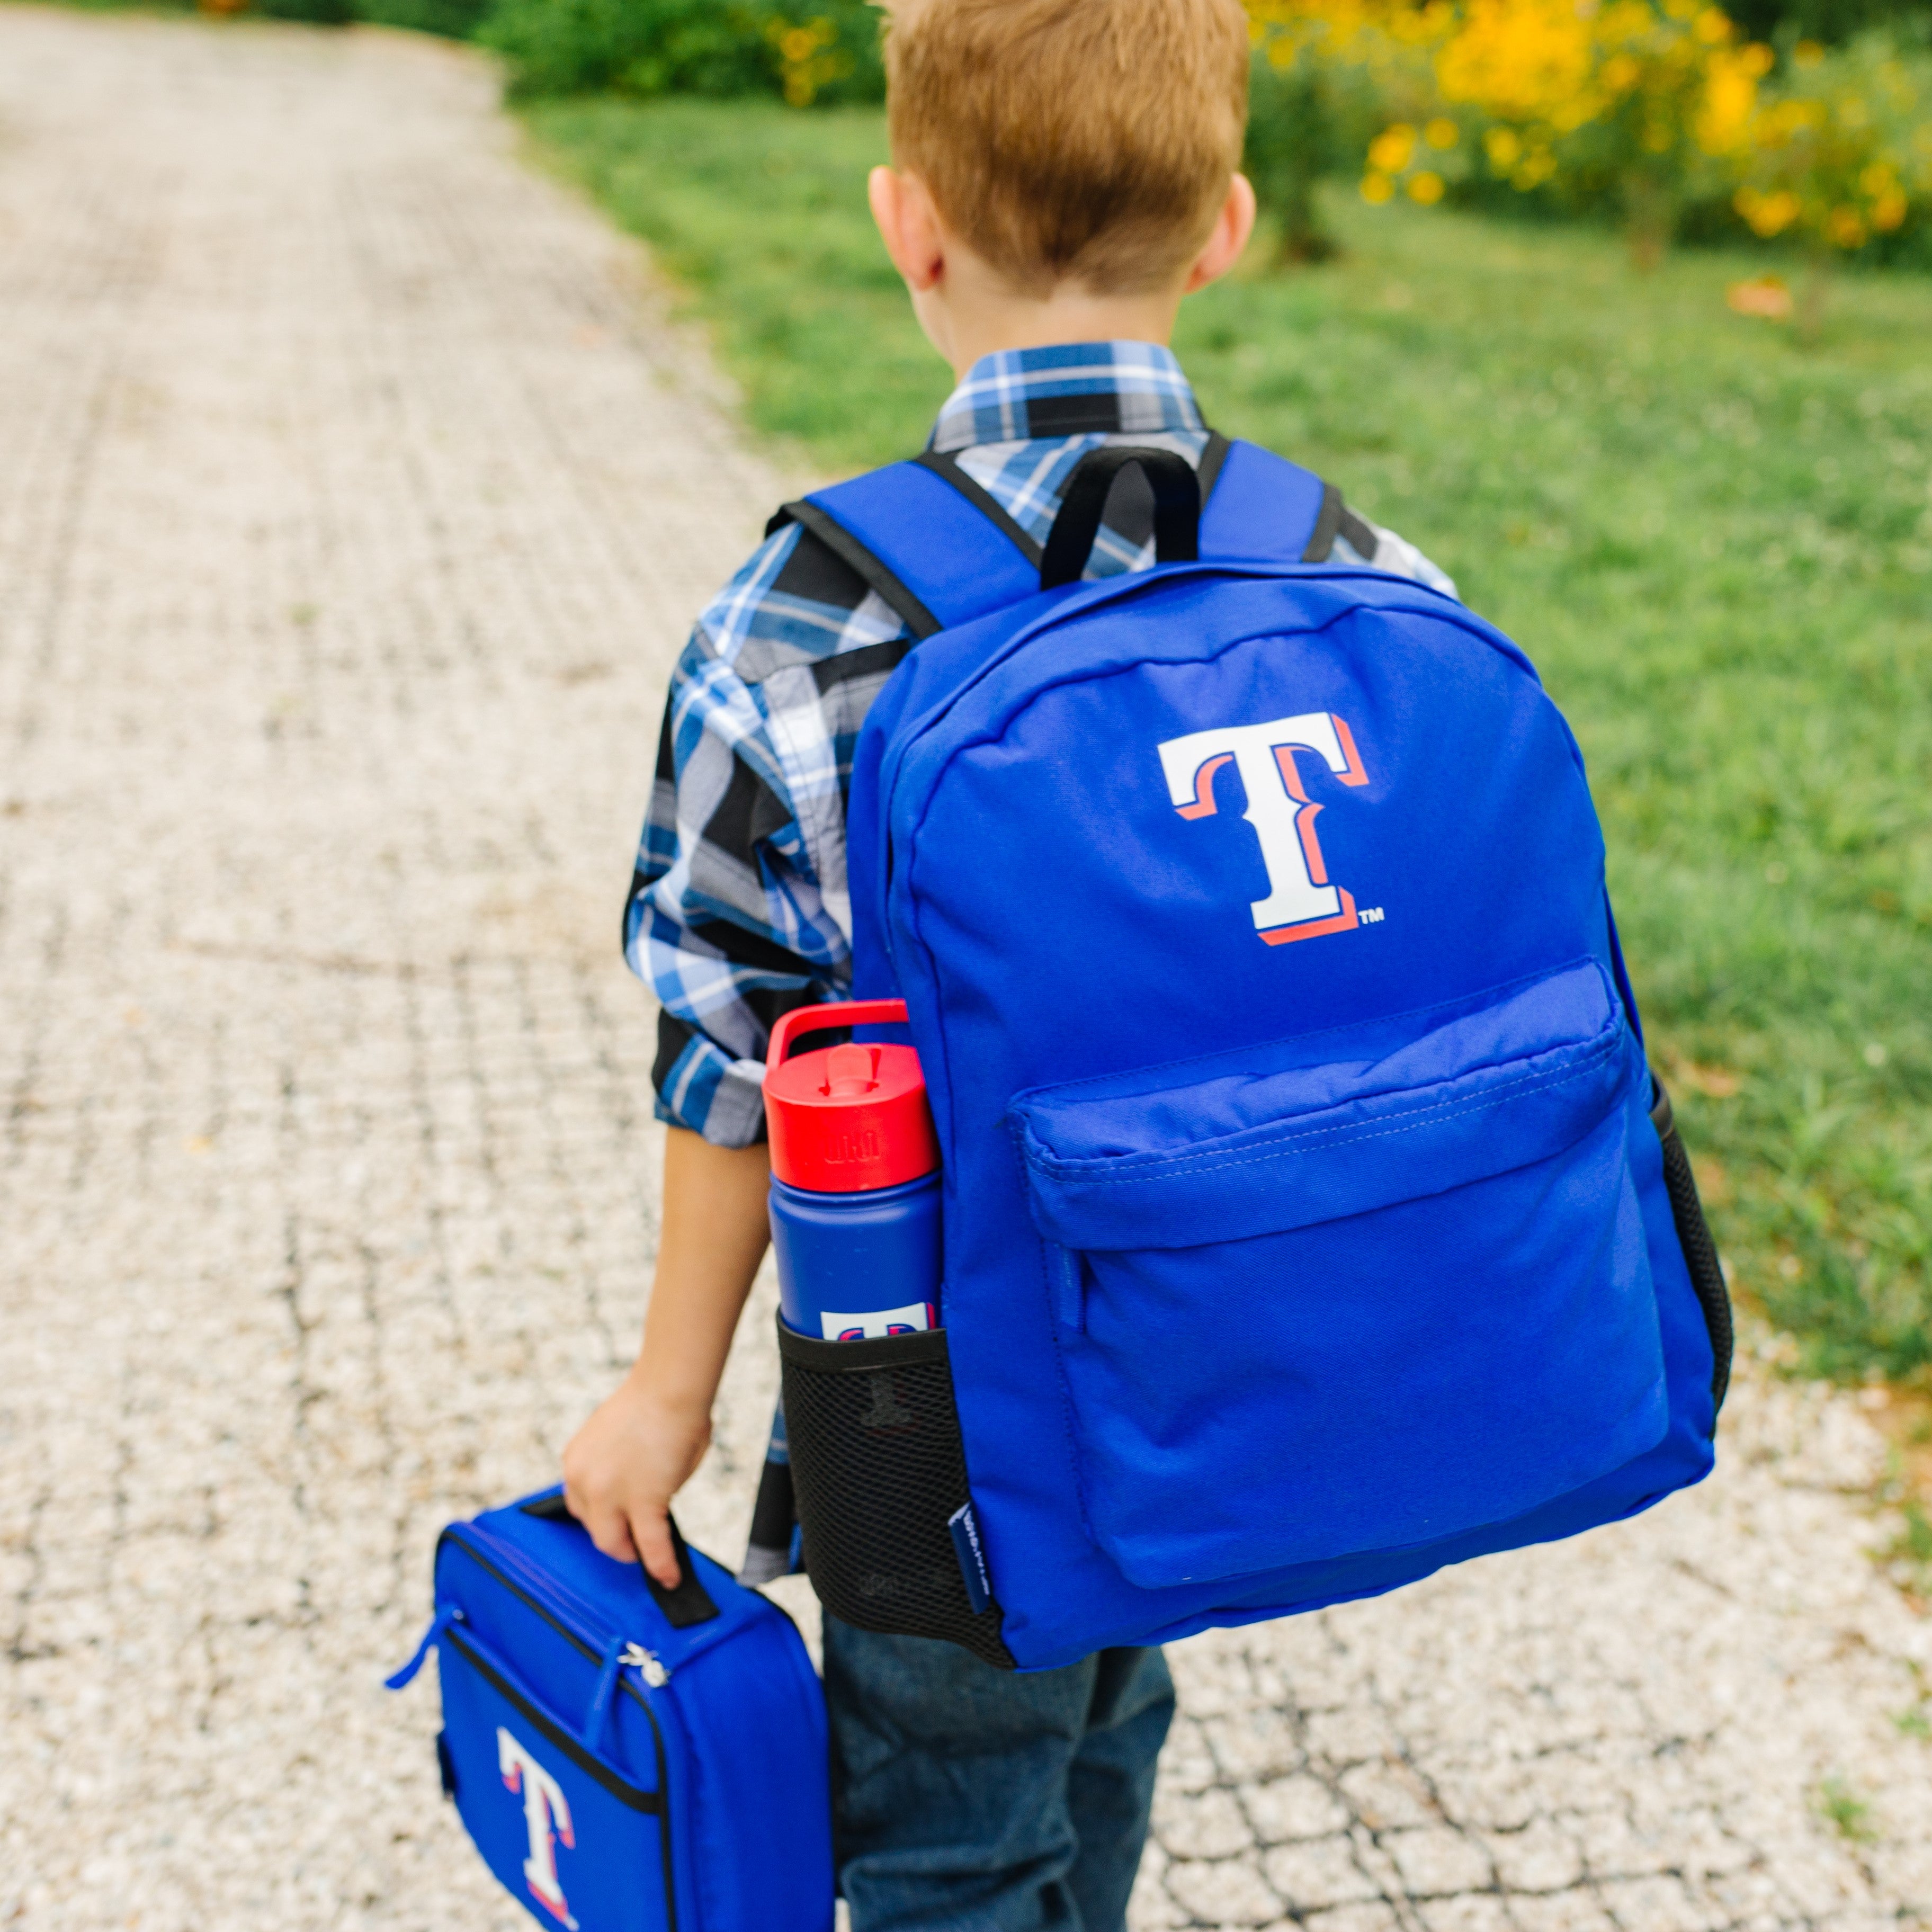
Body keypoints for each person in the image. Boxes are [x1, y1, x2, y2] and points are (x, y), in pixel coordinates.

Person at [561, 2, 1453, 1924]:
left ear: (909, 222)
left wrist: (666, 1393)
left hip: (935, 1419)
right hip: (1235, 1364)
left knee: (952, 1832)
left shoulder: (794, 626)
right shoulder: (1370, 577)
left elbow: (732, 1054)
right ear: (1223, 230)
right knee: (1112, 1726)